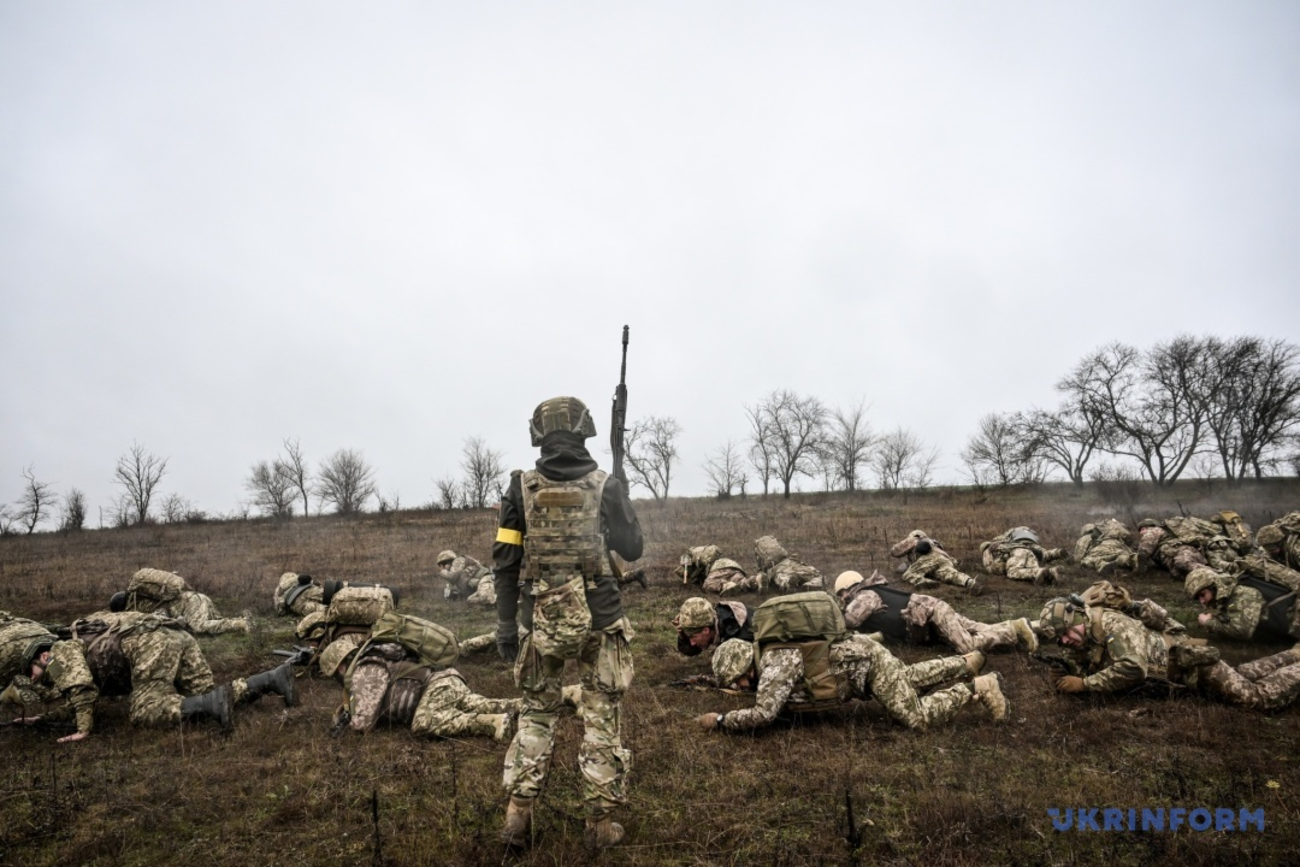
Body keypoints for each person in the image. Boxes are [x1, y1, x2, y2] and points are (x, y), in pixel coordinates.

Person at [492, 396, 644, 850]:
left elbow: (505, 562)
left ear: (539, 434)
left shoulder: (520, 488)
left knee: (536, 714)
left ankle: (517, 819)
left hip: (540, 619)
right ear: (583, 431)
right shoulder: (605, 486)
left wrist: (505, 625)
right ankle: (599, 827)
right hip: (601, 619)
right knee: (601, 719)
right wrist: (622, 497)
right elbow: (632, 548)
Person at [4, 612, 294, 742]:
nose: (33, 679)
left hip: (151, 645)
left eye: (31, 672)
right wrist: (41, 720)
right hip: (174, 635)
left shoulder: (59, 651)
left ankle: (214, 702)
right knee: (204, 697)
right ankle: (269, 679)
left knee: (145, 711)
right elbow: (74, 699)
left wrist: (84, 730)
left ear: (42, 657)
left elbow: (82, 691)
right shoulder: (72, 642)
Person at [696, 634, 1008, 734]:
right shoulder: (769, 655)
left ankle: (978, 687)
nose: (738, 687)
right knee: (907, 678)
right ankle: (963, 663)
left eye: (736, 680)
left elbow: (764, 714)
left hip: (868, 666)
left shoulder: (774, 665)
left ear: (743, 666)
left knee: (916, 718)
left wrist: (721, 720)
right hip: (863, 657)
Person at [1035, 597, 1300, 709]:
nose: (1065, 640)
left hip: (1195, 667)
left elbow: (1133, 668)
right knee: (1243, 673)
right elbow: (1093, 664)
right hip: (1184, 674)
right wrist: (1065, 673)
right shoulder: (1083, 637)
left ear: (1079, 617)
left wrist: (1084, 684)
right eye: (1059, 639)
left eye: (1067, 632)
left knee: (1256, 698)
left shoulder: (1113, 625)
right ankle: (1294, 654)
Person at [335, 642, 526, 742]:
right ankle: (528, 705)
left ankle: (492, 723)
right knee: (479, 704)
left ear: (340, 666)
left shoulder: (367, 667)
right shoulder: (377, 660)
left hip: (435, 687)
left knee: (423, 723)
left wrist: (342, 720)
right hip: (446, 680)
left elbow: (362, 724)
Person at [832, 570, 1038, 654]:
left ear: (850, 586)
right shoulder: (870, 593)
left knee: (967, 646)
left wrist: (833, 614)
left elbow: (851, 620)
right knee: (979, 628)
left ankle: (1015, 630)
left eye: (842, 594)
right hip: (931, 613)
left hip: (932, 613)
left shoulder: (865, 595)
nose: (843, 599)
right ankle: (1034, 628)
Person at [1185, 561, 1300, 642]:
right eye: (1198, 598)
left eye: (1202, 595)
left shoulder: (1244, 594)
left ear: (1213, 587)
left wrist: (1208, 623)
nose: (1202, 601)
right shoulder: (1225, 594)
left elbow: (1242, 631)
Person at [890, 530, 981, 592]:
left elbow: (895, 551)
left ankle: (924, 582)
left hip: (928, 559)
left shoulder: (914, 539)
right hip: (944, 559)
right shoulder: (934, 542)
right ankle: (969, 582)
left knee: (908, 574)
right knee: (950, 574)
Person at [980, 527, 1065, 585]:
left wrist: (1002, 570)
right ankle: (1052, 571)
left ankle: (1042, 572)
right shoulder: (1004, 543)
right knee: (1035, 572)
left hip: (1018, 552)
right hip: (1029, 551)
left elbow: (995, 568)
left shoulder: (989, 551)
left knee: (1012, 572)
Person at [672, 597, 755, 657]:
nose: (692, 643)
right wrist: (683, 636)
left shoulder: (741, 640)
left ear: (706, 630)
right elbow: (692, 650)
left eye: (693, 637)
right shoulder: (714, 617)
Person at [1135, 517, 1211, 580]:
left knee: (1182, 563)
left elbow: (1143, 553)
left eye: (1142, 530)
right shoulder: (1162, 534)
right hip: (1182, 556)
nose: (1140, 533)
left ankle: (1213, 573)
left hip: (1183, 553)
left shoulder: (1153, 531)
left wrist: (1140, 574)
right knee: (1177, 574)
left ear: (1148, 527)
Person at [754, 536, 823, 591]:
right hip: (788, 561)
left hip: (775, 568)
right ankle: (811, 583)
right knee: (812, 573)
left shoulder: (759, 550)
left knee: (781, 577)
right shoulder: (776, 547)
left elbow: (760, 570)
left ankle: (788, 582)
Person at [1073, 519, 1139, 576]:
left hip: (1103, 549)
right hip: (1121, 546)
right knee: (1121, 557)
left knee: (1089, 560)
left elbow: (1078, 557)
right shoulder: (1110, 534)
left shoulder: (1086, 537)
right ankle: (1135, 558)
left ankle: (1103, 565)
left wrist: (1076, 560)